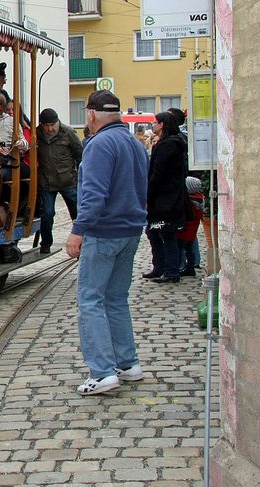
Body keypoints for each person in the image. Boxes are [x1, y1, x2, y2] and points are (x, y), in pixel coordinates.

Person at [66, 89, 148, 395]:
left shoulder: (99, 144)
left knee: (90, 300)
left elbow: (93, 194)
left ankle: (101, 372)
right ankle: (128, 364)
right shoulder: (134, 143)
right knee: (116, 299)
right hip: (130, 230)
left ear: (90, 115)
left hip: (103, 233)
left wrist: (78, 230)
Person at [142, 111, 190, 284]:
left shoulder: (167, 145)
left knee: (165, 233)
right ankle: (161, 267)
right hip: (169, 197)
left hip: (165, 199)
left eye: (155, 122)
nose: (152, 125)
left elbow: (158, 173)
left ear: (162, 125)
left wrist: (148, 194)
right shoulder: (171, 143)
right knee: (154, 231)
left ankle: (170, 271)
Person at [36, 108, 82, 254]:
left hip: (67, 181)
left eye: (52, 125)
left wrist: (80, 178)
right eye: (46, 126)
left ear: (57, 122)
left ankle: (82, 243)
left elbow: (80, 155)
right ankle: (46, 243)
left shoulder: (68, 133)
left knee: (77, 213)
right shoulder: (36, 134)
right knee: (47, 214)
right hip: (47, 182)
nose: (49, 129)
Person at [176, 175, 204, 276]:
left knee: (180, 248)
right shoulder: (199, 198)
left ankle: (181, 266)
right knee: (189, 249)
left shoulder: (189, 201)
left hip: (185, 229)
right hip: (193, 230)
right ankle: (191, 266)